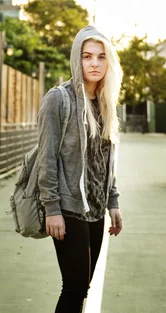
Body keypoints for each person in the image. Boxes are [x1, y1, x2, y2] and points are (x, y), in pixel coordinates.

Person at [36, 25, 123, 312]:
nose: (94, 63)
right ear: (77, 59)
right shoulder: (58, 99)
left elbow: (105, 160)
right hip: (69, 207)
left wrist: (113, 202)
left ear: (109, 61)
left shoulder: (106, 102)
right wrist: (52, 209)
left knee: (81, 287)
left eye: (100, 57)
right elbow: (46, 157)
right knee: (73, 288)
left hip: (95, 209)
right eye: (87, 56)